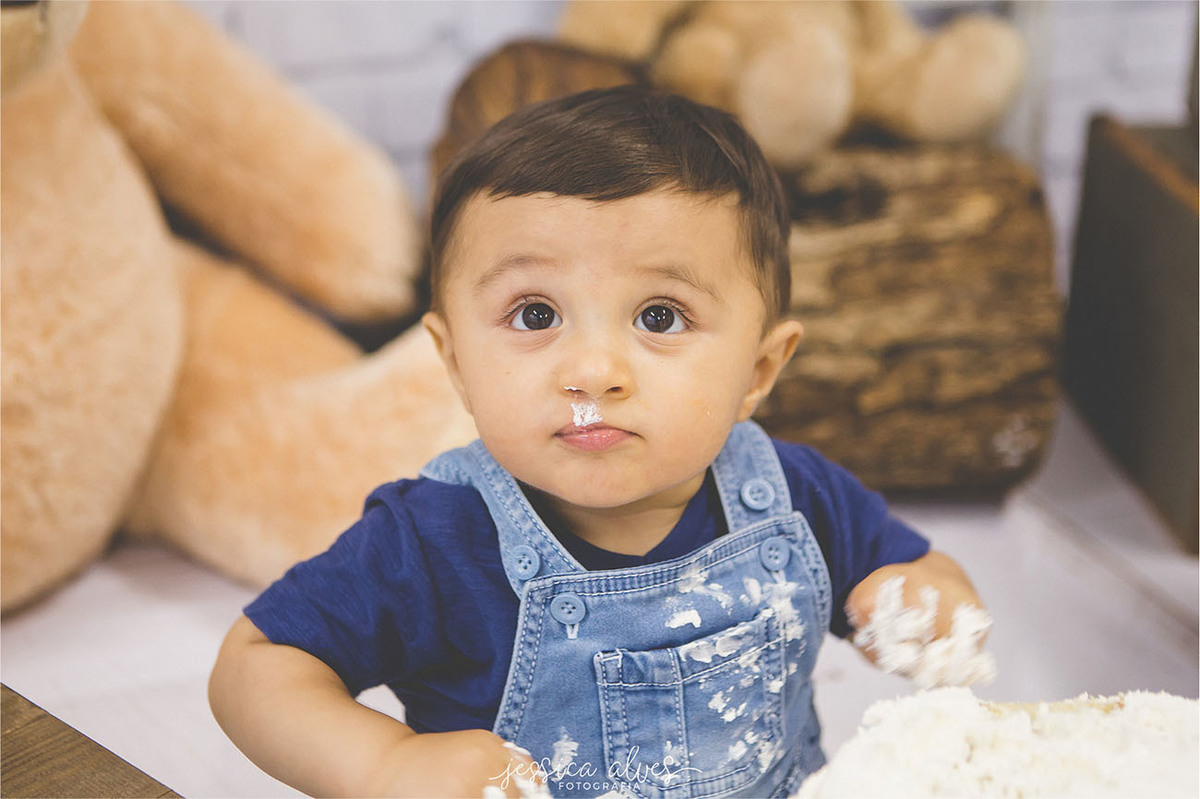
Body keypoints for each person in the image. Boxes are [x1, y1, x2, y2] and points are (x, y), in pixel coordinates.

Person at [209, 85, 986, 799]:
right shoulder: (433, 541)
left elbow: (919, 569)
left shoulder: (793, 498)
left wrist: (925, 602)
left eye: (659, 316)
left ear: (758, 370)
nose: (593, 371)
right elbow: (256, 666)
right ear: (455, 362)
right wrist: (383, 764)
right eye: (536, 314)